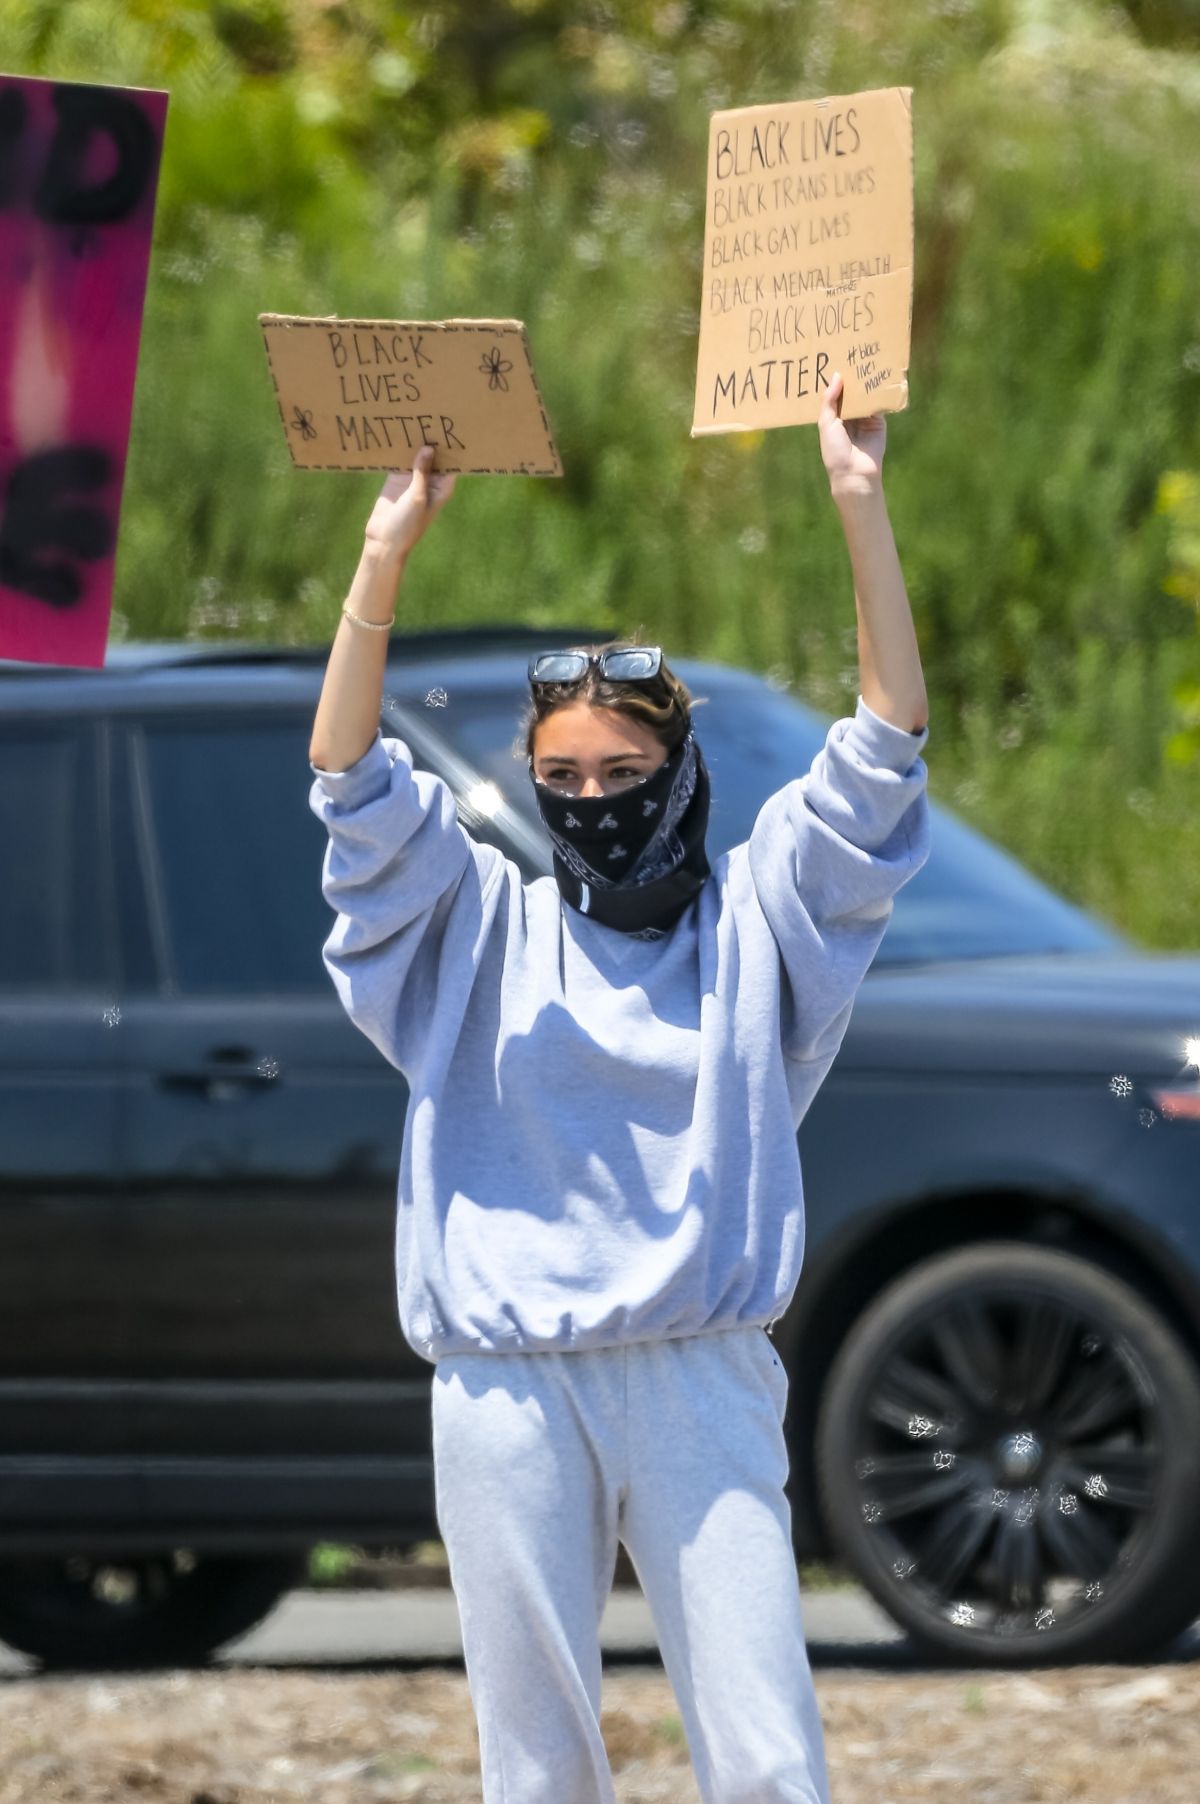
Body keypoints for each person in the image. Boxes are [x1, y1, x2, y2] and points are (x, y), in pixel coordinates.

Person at [307, 373, 930, 1804]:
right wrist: (381, 555)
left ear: (681, 771)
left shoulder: (758, 929)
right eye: (562, 776)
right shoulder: (476, 929)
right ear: (528, 788)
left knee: (770, 1753)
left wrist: (857, 497)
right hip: (504, 1383)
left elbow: (885, 743)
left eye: (625, 768)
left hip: (700, 1373)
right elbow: (348, 780)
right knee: (535, 1768)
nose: (593, 798)